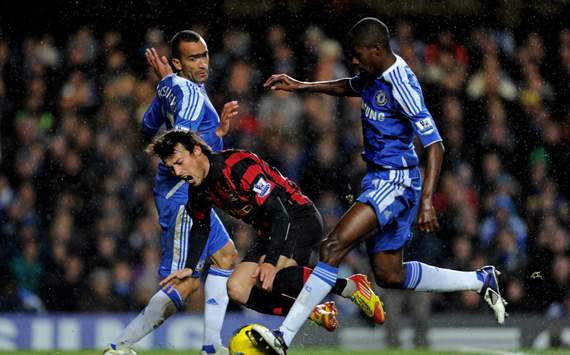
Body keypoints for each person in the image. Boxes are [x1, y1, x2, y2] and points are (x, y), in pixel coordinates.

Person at [257, 17, 507, 355]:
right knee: (389, 275)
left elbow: (435, 145)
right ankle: (480, 280)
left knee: (331, 247)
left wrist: (429, 200)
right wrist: (302, 86)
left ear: (377, 49)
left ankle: (283, 338)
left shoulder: (402, 83)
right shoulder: (373, 74)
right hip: (377, 177)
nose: (355, 61)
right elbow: (353, 85)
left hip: (396, 180)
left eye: (358, 55)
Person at [147, 129, 385, 334]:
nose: (177, 173)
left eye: (179, 163)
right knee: (237, 288)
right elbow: (200, 226)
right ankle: (312, 310)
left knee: (270, 277)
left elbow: (279, 213)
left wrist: (270, 261)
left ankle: (350, 286)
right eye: (171, 168)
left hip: (297, 217)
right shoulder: (198, 190)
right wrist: (191, 267)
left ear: (196, 150)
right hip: (270, 230)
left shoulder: (238, 165)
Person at [105, 30, 239, 355]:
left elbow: (148, 128)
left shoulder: (176, 88)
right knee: (186, 280)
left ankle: (211, 345)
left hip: (187, 191)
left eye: (205, 55)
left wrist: (167, 89)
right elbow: (181, 144)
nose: (203, 63)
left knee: (226, 255)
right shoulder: (189, 95)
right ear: (177, 62)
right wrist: (217, 136)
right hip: (182, 191)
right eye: (194, 58)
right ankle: (119, 347)